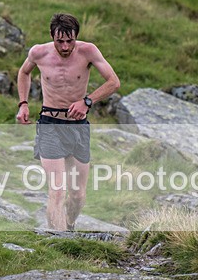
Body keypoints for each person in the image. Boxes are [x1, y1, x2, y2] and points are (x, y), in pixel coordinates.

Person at [15, 13, 120, 231]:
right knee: (57, 189)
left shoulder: (88, 51)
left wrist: (87, 101)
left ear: (76, 37)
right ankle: (58, 241)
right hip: (49, 125)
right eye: (59, 41)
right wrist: (23, 103)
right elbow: (23, 72)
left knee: (77, 194)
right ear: (52, 36)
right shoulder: (38, 52)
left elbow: (113, 82)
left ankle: (69, 225)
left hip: (77, 127)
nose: (64, 47)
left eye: (69, 41)